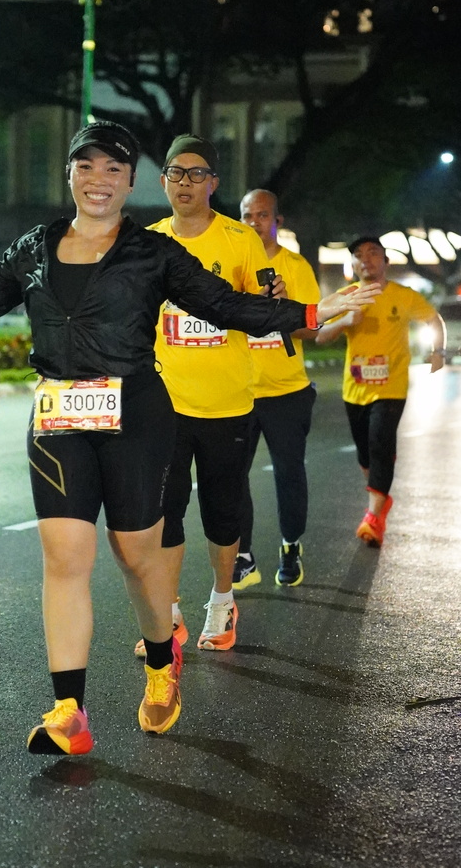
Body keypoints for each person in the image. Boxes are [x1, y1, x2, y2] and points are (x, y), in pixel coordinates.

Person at [0, 121, 379, 755]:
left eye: (113, 169)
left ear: (129, 181)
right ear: (69, 174)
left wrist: (310, 313)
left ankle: (161, 659)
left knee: (136, 556)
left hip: (136, 413)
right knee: (64, 558)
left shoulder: (152, 252)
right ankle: (69, 711)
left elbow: (225, 304)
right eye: (86, 166)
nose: (99, 180)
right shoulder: (35, 248)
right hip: (59, 415)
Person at [135, 134, 274, 655]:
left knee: (221, 513)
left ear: (213, 182)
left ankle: (221, 601)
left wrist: (272, 301)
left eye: (197, 173)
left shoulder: (240, 240)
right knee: (163, 512)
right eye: (176, 172)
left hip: (227, 403)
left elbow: (261, 309)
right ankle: (167, 615)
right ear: (163, 181)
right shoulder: (147, 242)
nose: (185, 182)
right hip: (165, 405)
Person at [316, 235, 446, 546]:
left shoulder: (403, 295)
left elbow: (433, 319)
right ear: (353, 264)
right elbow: (320, 336)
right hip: (355, 389)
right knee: (366, 454)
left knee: (380, 445)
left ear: (385, 261)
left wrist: (437, 352)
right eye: (359, 255)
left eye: (373, 253)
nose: (366, 259)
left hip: (391, 386)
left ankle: (373, 516)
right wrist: (346, 320)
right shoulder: (346, 296)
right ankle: (380, 498)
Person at [233, 189, 321, 589]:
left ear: (277, 221)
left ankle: (291, 545)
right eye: (247, 215)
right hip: (238, 392)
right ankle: (243, 555)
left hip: (287, 392)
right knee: (233, 477)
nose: (254, 222)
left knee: (289, 474)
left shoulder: (295, 266)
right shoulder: (232, 267)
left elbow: (312, 328)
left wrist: (284, 312)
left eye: (262, 215)